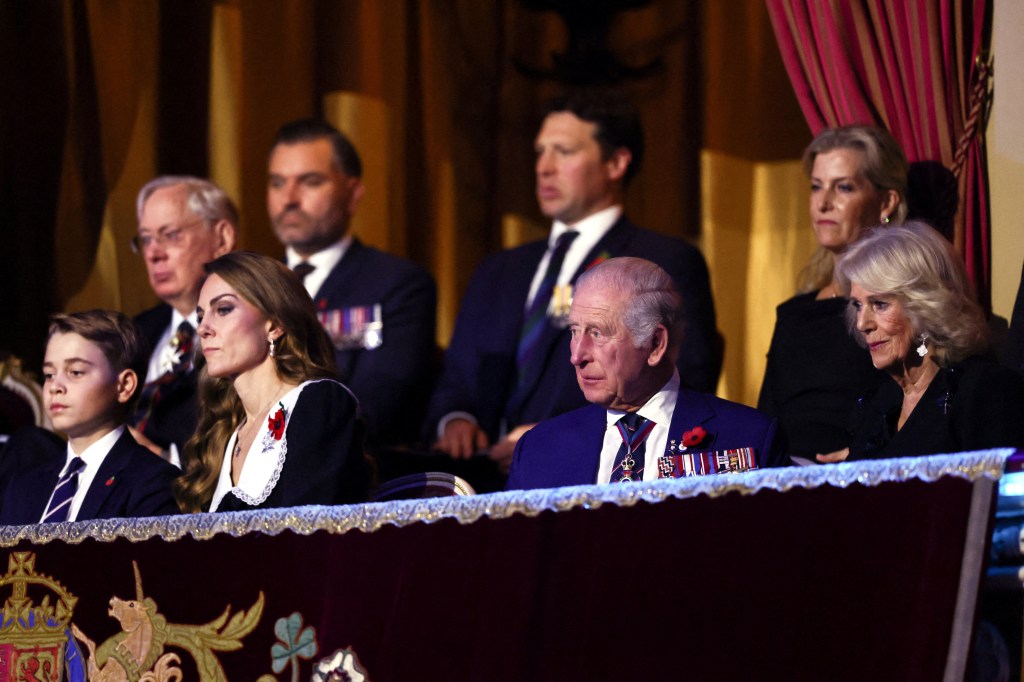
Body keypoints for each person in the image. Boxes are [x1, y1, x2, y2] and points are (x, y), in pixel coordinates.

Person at [429, 89, 719, 471]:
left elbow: (683, 382)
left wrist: (554, 435)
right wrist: (456, 419)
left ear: (616, 163)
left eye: (563, 152)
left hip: (588, 474)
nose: (544, 167)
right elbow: (458, 374)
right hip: (480, 480)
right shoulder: (498, 270)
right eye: (540, 152)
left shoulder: (662, 261)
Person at [507, 258, 784, 491]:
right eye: (574, 331)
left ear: (655, 344)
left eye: (597, 333)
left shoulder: (750, 438)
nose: (577, 356)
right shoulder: (538, 449)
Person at [267, 119, 437, 449]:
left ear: (352, 194)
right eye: (277, 183)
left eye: (310, 182)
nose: (288, 198)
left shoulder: (397, 284)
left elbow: (380, 403)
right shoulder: (250, 289)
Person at [174, 251, 369, 513]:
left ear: (274, 325)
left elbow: (310, 535)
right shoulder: (226, 433)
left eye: (223, 309)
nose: (203, 328)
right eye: (200, 316)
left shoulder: (319, 403)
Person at [757, 125, 907, 462]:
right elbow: (767, 418)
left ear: (886, 201)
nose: (823, 203)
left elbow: (926, 397)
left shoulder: (905, 306)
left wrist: (866, 454)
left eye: (843, 187)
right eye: (816, 187)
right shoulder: (795, 313)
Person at [835, 223, 1024, 460]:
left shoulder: (985, 391)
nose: (863, 323)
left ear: (925, 307)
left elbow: (1001, 492)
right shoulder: (876, 405)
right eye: (858, 305)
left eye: (880, 304)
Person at [0, 310, 180, 524]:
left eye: (75, 372)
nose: (55, 387)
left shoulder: (152, 481)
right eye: (49, 374)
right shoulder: (24, 485)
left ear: (123, 385)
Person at [130, 176, 238, 464]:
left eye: (170, 235)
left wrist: (163, 459)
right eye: (146, 239)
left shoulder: (248, 331)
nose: (154, 253)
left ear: (221, 239)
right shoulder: (134, 332)